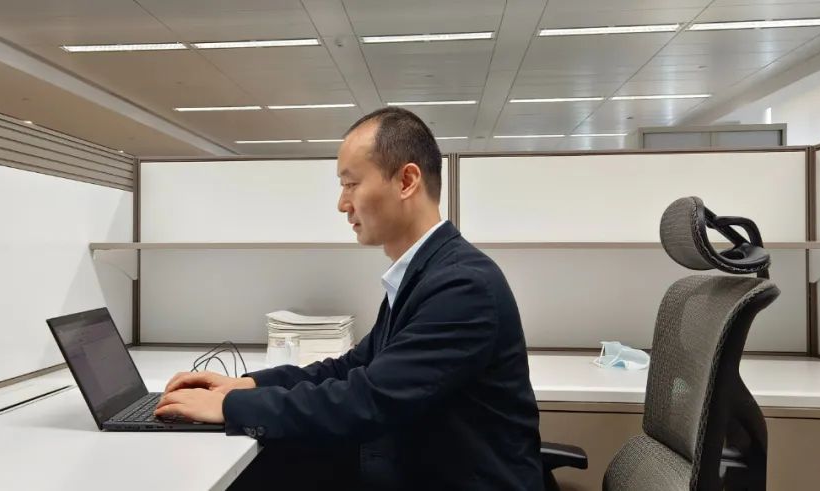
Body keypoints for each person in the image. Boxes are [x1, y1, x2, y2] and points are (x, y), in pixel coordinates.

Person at [155, 107, 543, 490]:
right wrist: (249, 385)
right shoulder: (425, 273)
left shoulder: (462, 285)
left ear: (406, 181)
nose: (342, 204)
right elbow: (353, 368)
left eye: (351, 184)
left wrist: (229, 407)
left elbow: (369, 400)